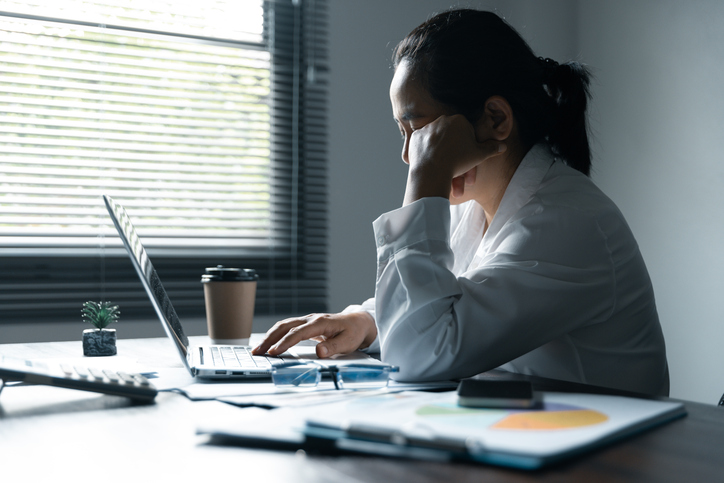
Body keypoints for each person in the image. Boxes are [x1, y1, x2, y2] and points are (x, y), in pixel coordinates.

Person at [252, 9, 669, 396]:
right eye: (403, 132)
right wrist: (367, 321)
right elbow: (448, 310)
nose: (408, 155)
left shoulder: (568, 222)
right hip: (524, 435)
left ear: (496, 120)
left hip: (605, 462)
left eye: (419, 131)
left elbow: (419, 355)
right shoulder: (473, 209)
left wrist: (426, 177)